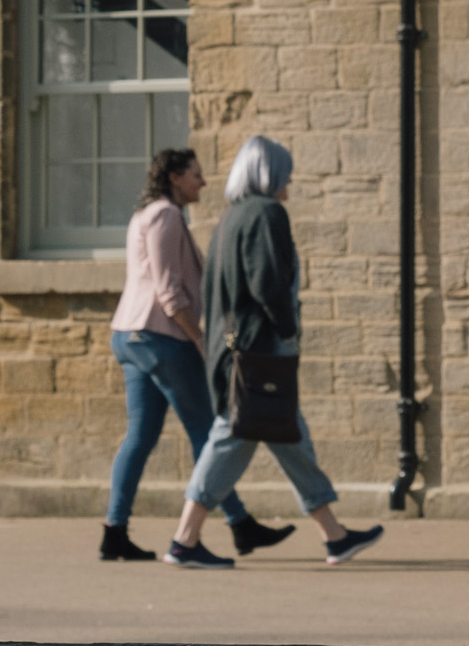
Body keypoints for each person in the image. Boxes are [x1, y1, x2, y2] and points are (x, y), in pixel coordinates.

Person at [165, 137, 385, 567]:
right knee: (233, 436)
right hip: (259, 349)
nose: (290, 181)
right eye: (286, 171)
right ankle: (184, 539)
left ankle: (334, 534)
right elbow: (268, 283)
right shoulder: (267, 214)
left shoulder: (231, 217)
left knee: (289, 434)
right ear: (268, 173)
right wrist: (288, 328)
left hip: (238, 348)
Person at [99, 146, 272, 562]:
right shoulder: (165, 215)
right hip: (158, 337)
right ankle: (226, 529)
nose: (203, 182)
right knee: (205, 430)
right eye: (195, 174)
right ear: (175, 177)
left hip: (133, 335)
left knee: (141, 437)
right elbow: (170, 294)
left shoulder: (147, 213)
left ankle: (115, 533)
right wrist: (199, 340)